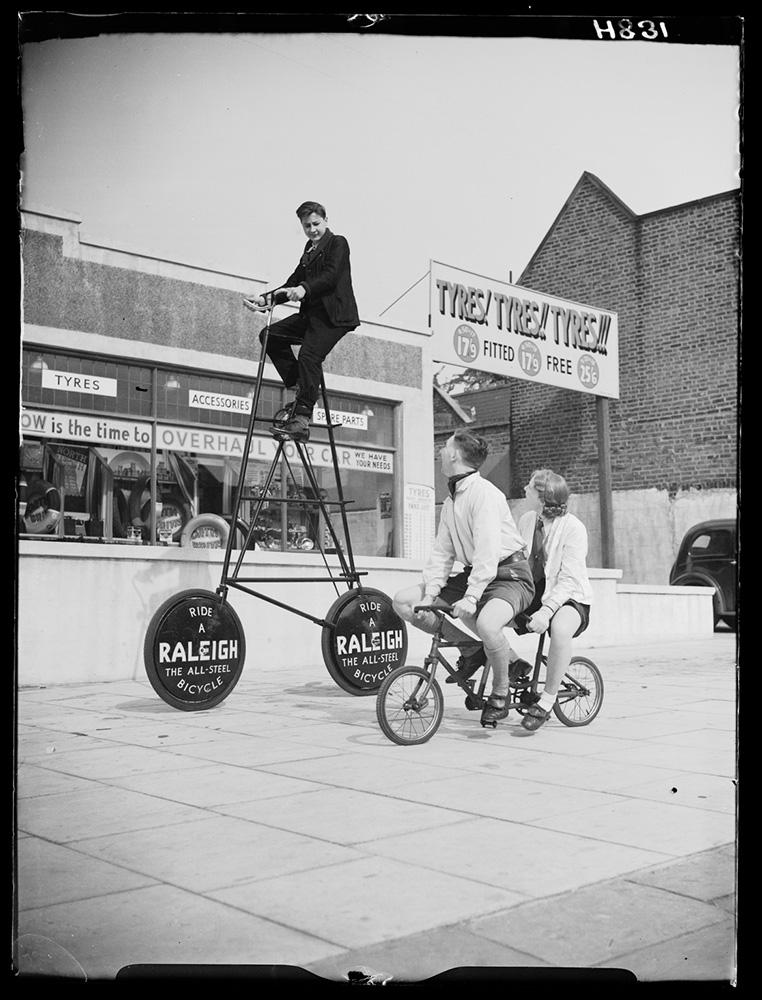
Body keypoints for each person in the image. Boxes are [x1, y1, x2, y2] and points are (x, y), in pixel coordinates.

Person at [393, 429, 535, 724]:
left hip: (509, 575)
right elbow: (442, 552)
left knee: (487, 623)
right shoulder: (452, 500)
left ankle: (500, 693)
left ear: (455, 455)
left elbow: (488, 551)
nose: (440, 452)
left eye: (444, 447)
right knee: (405, 602)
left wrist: (471, 597)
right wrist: (432, 591)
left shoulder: (485, 494)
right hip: (477, 574)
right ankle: (471, 650)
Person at [243, 201, 360, 442]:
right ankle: (301, 385)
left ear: (326, 220)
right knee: (270, 335)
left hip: (334, 317)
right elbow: (292, 282)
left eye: (316, 224)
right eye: (307, 226)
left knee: (309, 355)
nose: (312, 230)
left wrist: (305, 288)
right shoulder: (309, 249)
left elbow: (330, 275)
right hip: (311, 316)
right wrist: (265, 299)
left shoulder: (338, 243)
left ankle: (302, 418)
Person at [510, 468, 594, 732]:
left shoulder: (573, 528)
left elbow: (569, 580)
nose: (525, 489)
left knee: (560, 629)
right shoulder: (527, 520)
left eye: (530, 487)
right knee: (489, 614)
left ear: (542, 496)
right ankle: (513, 664)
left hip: (570, 597)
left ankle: (546, 701)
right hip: (537, 592)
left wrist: (546, 611)